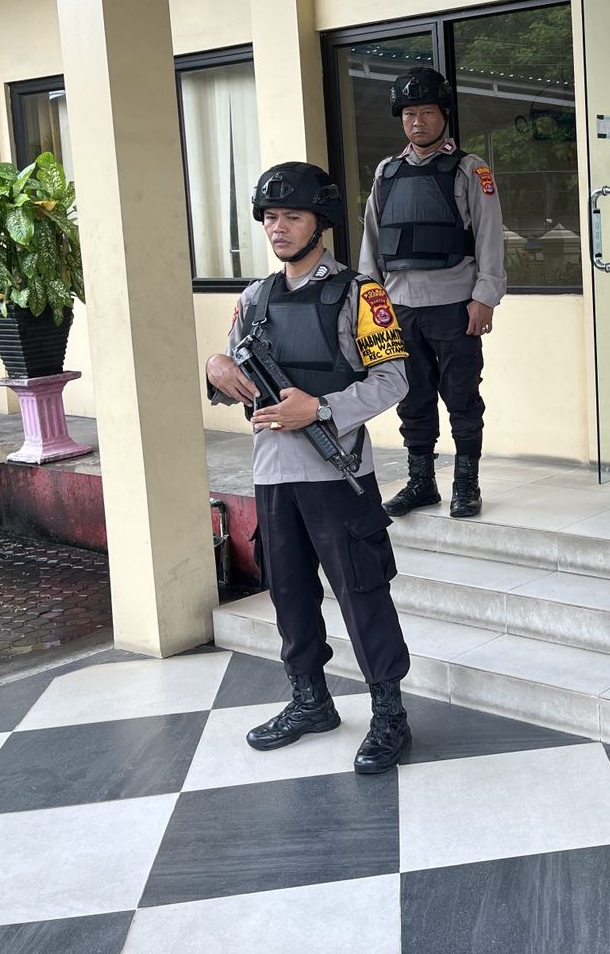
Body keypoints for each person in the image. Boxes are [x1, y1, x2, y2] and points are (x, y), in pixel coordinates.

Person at [205, 161, 415, 774]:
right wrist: (215, 368)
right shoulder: (254, 298)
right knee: (289, 593)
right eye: (270, 217)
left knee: (362, 594)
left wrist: (320, 408)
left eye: (292, 216)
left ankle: (389, 712)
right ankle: (310, 700)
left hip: (337, 473)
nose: (279, 228)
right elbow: (233, 372)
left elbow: (393, 379)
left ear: (319, 223)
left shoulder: (360, 294)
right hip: (273, 474)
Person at [360, 66, 507, 520]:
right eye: (409, 114)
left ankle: (466, 483)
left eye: (426, 112)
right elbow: (371, 242)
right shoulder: (386, 173)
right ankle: (421, 482)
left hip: (454, 306)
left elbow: (490, 237)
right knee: (412, 397)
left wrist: (485, 297)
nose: (417, 122)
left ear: (443, 114)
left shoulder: (469, 169)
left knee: (462, 397)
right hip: (399, 308)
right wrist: (369, 304)